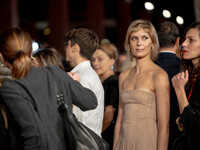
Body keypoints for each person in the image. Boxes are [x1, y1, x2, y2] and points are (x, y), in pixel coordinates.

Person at [0, 27, 98, 150]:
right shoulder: (55, 72)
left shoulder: (10, 88)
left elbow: (33, 135)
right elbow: (90, 102)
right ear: (31, 52)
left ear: (2, 57)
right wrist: (74, 83)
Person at [113, 19, 170, 150]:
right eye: (134, 38)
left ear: (153, 43)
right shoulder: (124, 76)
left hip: (147, 142)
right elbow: (120, 119)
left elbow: (164, 126)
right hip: (124, 142)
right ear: (129, 44)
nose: (139, 43)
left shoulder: (159, 76)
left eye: (144, 38)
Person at [64, 28, 104, 137]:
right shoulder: (86, 73)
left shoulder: (83, 76)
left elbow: (80, 118)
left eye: (68, 45)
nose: (65, 49)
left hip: (83, 141)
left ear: (75, 48)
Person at [172, 21, 200, 150]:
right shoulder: (191, 74)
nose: (183, 44)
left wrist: (179, 89)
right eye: (185, 39)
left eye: (191, 40)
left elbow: (193, 123)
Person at [155, 21, 182, 150]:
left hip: (151, 128)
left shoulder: (149, 67)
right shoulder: (185, 68)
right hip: (178, 130)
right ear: (178, 41)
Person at [91, 43, 119, 149]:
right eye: (93, 60)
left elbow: (108, 116)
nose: (95, 63)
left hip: (106, 136)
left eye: (100, 59)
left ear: (112, 60)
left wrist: (94, 136)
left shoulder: (112, 82)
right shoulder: (101, 82)